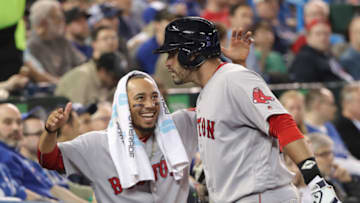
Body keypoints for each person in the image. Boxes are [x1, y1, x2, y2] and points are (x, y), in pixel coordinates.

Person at [154, 16, 340, 202]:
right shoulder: (215, 87)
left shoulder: (234, 78)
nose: (167, 62)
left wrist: (315, 181)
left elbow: (281, 122)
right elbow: (232, 116)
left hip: (260, 196)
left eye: (172, 53)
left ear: (191, 53)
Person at [38, 71, 198, 202]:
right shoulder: (96, 144)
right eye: (140, 98)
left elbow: (215, 110)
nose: (150, 105)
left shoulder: (179, 126)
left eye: (154, 97)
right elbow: (49, 159)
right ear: (124, 105)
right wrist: (50, 131)